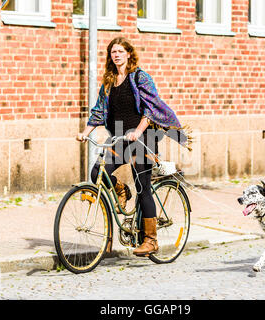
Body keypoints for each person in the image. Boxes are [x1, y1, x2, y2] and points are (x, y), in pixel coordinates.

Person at [76, 37, 191, 257]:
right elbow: (99, 110)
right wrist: (85, 132)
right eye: (113, 52)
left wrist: (138, 130)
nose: (116, 55)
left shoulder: (140, 77)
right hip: (120, 137)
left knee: (143, 186)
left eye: (120, 51)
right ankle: (121, 190)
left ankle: (151, 240)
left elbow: (150, 108)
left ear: (129, 54)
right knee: (96, 172)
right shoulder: (110, 82)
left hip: (144, 137)